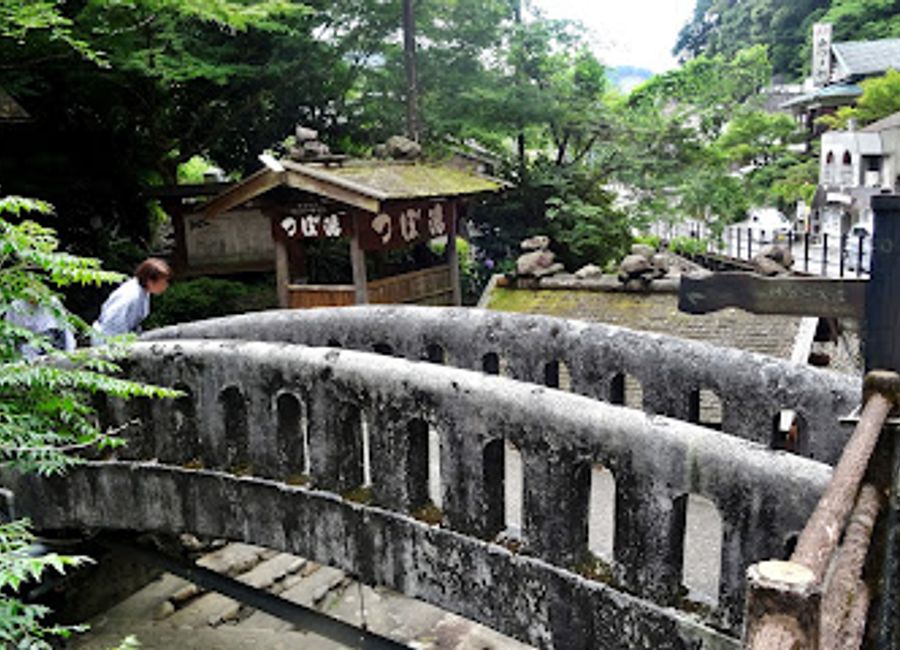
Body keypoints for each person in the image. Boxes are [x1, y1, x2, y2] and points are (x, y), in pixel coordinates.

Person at [93, 257, 170, 339]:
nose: (166, 285)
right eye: (164, 282)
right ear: (150, 281)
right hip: (109, 339)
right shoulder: (131, 295)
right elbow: (111, 325)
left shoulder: (143, 291)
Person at [3, 297, 76, 360]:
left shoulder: (51, 302)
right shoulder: (16, 305)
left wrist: (70, 353)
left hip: (53, 347)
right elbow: (8, 335)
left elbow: (65, 329)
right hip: (27, 350)